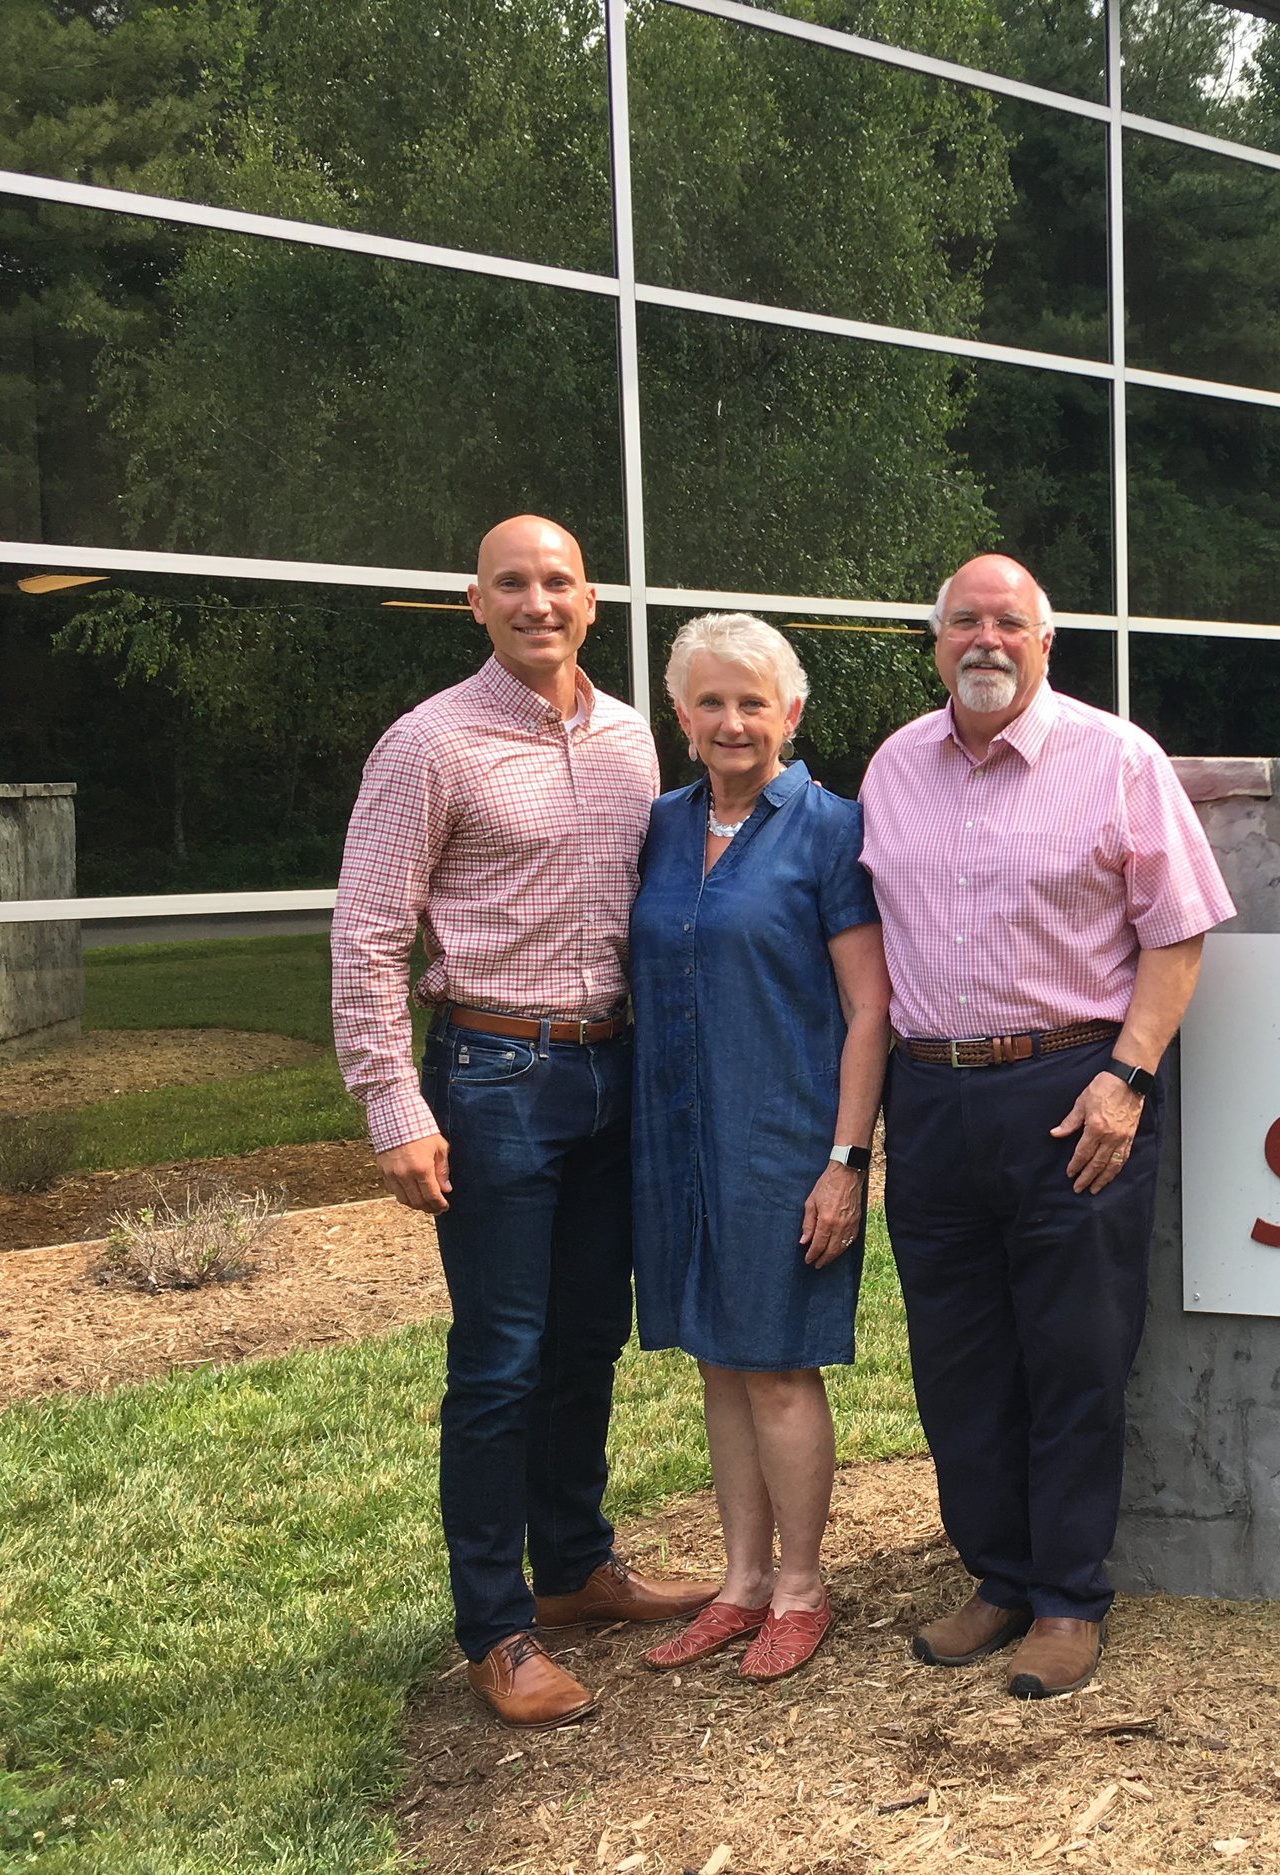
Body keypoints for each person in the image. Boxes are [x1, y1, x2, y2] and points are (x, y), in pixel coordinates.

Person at [332, 515, 714, 1729]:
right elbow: (366, 937)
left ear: (590, 602)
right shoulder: (426, 747)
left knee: (590, 1335)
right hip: (494, 1075)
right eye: (513, 584)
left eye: (557, 582)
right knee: (499, 1358)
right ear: (475, 603)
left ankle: (575, 1569)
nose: (536, 601)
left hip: (611, 1074)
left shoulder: (627, 738)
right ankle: (495, 1627)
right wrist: (394, 1103)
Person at [859, 552, 1235, 1699]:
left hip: (1073, 1091)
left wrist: (1127, 1078)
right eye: (964, 622)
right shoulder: (891, 768)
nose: (985, 640)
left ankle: (1068, 1596)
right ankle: (998, 1577)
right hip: (928, 1099)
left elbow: (1178, 933)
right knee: (958, 1360)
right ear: (935, 644)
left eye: (1008, 623)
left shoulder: (1116, 760)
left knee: (1073, 1355)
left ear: (1043, 642)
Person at [629, 614, 891, 1683]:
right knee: (719, 1362)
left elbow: (869, 1008)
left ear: (791, 713)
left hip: (784, 1134)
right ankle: (738, 1584)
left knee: (778, 1367)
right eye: (710, 701)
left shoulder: (832, 829)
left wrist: (846, 1160)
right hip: (678, 1132)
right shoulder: (658, 824)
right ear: (681, 716)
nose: (732, 721)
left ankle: (800, 1587)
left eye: (754, 701)